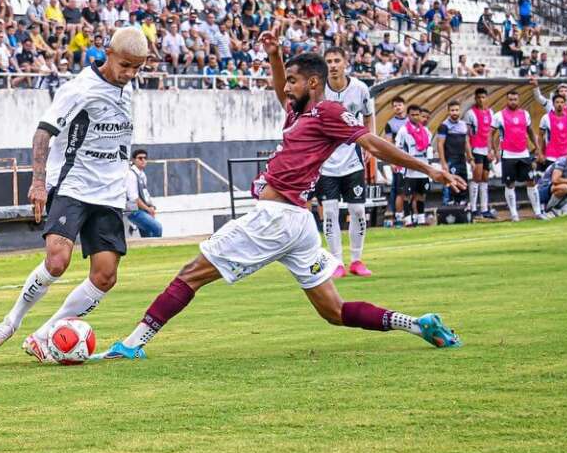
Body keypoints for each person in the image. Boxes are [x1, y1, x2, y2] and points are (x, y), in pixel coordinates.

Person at [97, 43, 464, 362]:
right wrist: (274, 55)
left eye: (293, 81)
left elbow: (371, 143)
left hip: (275, 218)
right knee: (333, 312)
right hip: (298, 225)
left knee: (190, 274)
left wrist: (429, 169)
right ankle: (417, 324)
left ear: (313, 83)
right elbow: (280, 92)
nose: (286, 88)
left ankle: (131, 344)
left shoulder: (329, 113)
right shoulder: (299, 115)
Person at [0, 27, 149, 363]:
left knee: (105, 276)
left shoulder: (126, 90)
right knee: (57, 261)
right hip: (73, 186)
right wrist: (39, 183)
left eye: (137, 68)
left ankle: (43, 336)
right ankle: (11, 320)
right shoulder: (80, 89)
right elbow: (43, 133)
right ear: (108, 53)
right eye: (125, 65)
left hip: (110, 195)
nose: (130, 74)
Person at [317, 47, 373, 277]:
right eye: (328, 61)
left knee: (358, 210)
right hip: (326, 161)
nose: (332, 65)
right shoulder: (318, 90)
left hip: (352, 159)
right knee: (329, 211)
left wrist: (370, 143)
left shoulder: (360, 89)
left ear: (345, 62)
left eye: (336, 60)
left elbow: (369, 116)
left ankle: (357, 260)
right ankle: (337, 262)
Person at [491, 90, 543, 221]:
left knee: (531, 181)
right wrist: (493, 150)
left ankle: (538, 212)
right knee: (510, 184)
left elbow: (530, 131)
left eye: (515, 99)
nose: (513, 102)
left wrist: (537, 147)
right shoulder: (499, 116)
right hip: (508, 155)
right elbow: (490, 134)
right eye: (510, 99)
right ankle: (514, 214)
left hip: (523, 153)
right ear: (506, 100)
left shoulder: (525, 114)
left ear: (518, 100)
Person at [395, 104, 432, 226]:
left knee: (421, 194)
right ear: (408, 115)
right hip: (409, 167)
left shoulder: (426, 131)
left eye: (417, 115)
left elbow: (429, 147)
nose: (415, 117)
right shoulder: (403, 130)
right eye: (413, 115)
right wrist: (398, 163)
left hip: (423, 166)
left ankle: (421, 219)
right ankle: (408, 220)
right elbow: (398, 148)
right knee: (407, 195)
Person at [463, 88, 496, 219]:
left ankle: (484, 208)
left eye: (483, 97)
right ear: (475, 99)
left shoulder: (491, 112)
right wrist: (469, 153)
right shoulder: (470, 114)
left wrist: (492, 150)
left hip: (486, 150)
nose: (481, 100)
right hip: (476, 149)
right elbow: (466, 135)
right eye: (479, 97)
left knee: (485, 178)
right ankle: (473, 208)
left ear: (486, 98)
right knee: (476, 177)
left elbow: (492, 134)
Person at [436, 100, 472, 206]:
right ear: (448, 112)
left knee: (462, 181)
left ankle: (461, 204)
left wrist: (470, 158)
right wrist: (443, 162)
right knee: (450, 182)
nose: (454, 113)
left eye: (456, 110)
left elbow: (466, 142)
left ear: (460, 111)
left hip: (461, 159)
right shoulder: (444, 126)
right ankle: (448, 205)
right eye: (452, 110)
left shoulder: (463, 125)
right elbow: (440, 144)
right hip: (450, 159)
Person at [537, 146, 567, 219]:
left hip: (554, 189)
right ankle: (547, 210)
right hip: (543, 189)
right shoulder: (562, 162)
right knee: (564, 187)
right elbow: (555, 180)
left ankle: (558, 208)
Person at [126, 148, 162, 238]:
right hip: (133, 211)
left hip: (142, 210)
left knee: (147, 236)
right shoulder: (131, 174)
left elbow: (146, 194)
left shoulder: (142, 175)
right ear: (133, 160)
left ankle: (152, 251)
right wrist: (148, 209)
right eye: (140, 158)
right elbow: (134, 198)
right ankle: (156, 249)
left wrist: (151, 206)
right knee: (157, 228)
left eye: (145, 158)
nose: (143, 160)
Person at [383, 96, 408, 224]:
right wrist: (392, 161)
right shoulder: (390, 124)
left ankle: (411, 216)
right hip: (398, 161)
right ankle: (396, 215)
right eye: (395, 106)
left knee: (410, 190)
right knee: (398, 189)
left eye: (400, 105)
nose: (398, 107)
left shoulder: (411, 121)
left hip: (411, 161)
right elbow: (389, 144)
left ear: (404, 105)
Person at [538, 94, 567, 168]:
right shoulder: (546, 118)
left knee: (565, 178)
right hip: (550, 156)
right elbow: (540, 136)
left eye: (562, 102)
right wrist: (540, 153)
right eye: (557, 102)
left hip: (565, 155)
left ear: (565, 104)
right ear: (553, 104)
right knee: (552, 178)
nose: (560, 104)